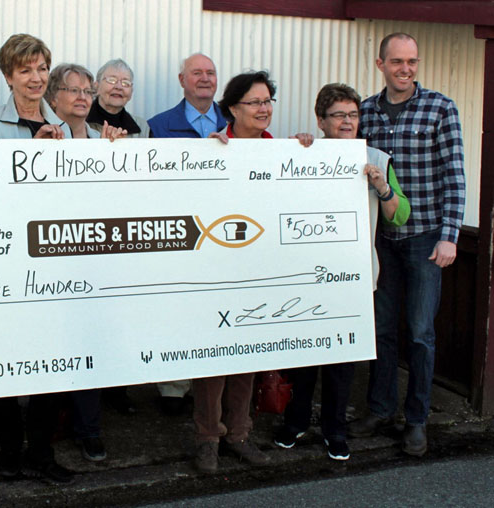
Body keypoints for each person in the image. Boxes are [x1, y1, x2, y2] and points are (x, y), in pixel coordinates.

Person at [274, 83, 410, 461]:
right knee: (302, 358)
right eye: (338, 115)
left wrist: (381, 187)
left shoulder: (377, 159)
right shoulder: (302, 153)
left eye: (353, 114)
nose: (347, 121)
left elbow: (400, 214)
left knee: (341, 361)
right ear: (321, 120)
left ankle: (335, 430)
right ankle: (296, 421)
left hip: (353, 279)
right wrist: (293, 149)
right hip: (305, 275)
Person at [348, 33, 466, 457]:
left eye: (412, 61)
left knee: (419, 333)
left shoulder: (441, 108)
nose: (406, 69)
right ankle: (379, 409)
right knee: (381, 330)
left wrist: (450, 235)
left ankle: (417, 420)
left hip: (425, 239)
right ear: (380, 64)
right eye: (397, 61)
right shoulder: (365, 111)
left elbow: (454, 175)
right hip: (382, 240)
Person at [0, 34, 74, 482]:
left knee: (50, 360)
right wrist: (34, 154)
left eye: (41, 68)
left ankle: (41, 454)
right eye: (25, 70)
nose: (36, 78)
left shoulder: (66, 126)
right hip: (5, 257)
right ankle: (10, 451)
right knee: (5, 357)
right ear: (8, 75)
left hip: (51, 257)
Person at [191, 70, 280, 473]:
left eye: (267, 102)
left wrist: (309, 153)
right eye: (254, 102)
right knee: (212, 359)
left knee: (248, 352)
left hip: (258, 269)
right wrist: (207, 158)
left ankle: (240, 434)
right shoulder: (211, 148)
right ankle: (208, 437)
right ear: (232, 109)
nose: (263, 110)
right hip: (216, 269)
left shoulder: (282, 151)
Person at [41, 62, 125, 462]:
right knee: (50, 344)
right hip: (50, 260)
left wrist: (118, 154)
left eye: (87, 91)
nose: (81, 97)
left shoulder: (103, 141)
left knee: (88, 345)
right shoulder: (42, 138)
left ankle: (89, 430)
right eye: (72, 90)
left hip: (94, 262)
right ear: (53, 96)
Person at [147, 53, 227, 415]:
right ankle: (174, 388)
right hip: (178, 235)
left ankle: (210, 386)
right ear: (182, 80)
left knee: (215, 308)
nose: (205, 78)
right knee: (175, 307)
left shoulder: (234, 121)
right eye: (197, 73)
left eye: (210, 73)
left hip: (224, 233)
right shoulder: (160, 126)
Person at [87, 58, 150, 139]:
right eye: (112, 80)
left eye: (125, 83)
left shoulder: (142, 127)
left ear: (131, 92)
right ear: (96, 86)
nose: (118, 87)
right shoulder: (79, 121)